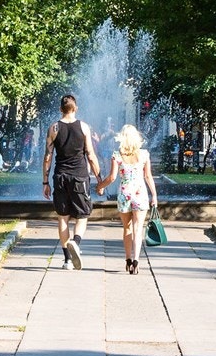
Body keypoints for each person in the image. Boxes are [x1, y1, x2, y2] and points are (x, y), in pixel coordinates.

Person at [43, 94, 101, 269]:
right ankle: (76, 241)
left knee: (63, 217)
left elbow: (47, 157)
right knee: (82, 215)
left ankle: (67, 260)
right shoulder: (84, 127)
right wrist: (99, 178)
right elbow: (90, 154)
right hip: (79, 177)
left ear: (60, 109)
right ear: (75, 108)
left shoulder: (53, 128)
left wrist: (45, 182)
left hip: (60, 176)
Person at [95, 124, 158, 274]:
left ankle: (128, 259)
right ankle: (136, 261)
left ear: (122, 138)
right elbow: (148, 176)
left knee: (127, 228)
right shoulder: (144, 155)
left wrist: (100, 186)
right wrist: (154, 195)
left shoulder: (117, 155)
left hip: (124, 194)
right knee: (138, 228)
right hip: (140, 194)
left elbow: (112, 177)